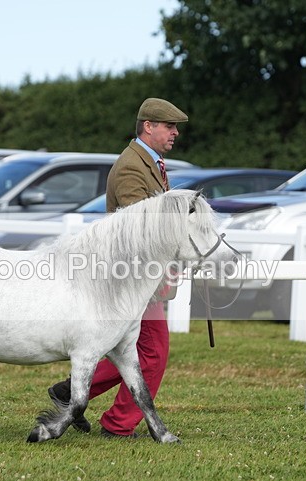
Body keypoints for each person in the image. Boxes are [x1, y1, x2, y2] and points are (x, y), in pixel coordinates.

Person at [48, 97, 189, 438]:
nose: (174, 134)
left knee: (131, 349)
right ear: (148, 127)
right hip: (132, 278)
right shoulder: (131, 167)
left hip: (140, 277)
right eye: (169, 127)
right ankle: (118, 423)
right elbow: (138, 229)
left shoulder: (150, 164)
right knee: (153, 353)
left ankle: (71, 391)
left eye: (175, 128)